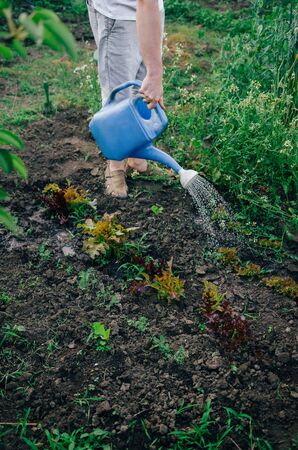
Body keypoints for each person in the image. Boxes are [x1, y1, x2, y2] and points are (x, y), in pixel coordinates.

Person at [87, 0, 165, 198]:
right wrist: (156, 73)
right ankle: (115, 164)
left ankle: (136, 157)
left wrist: (153, 73)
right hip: (118, 13)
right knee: (119, 95)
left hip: (151, 10)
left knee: (142, 87)